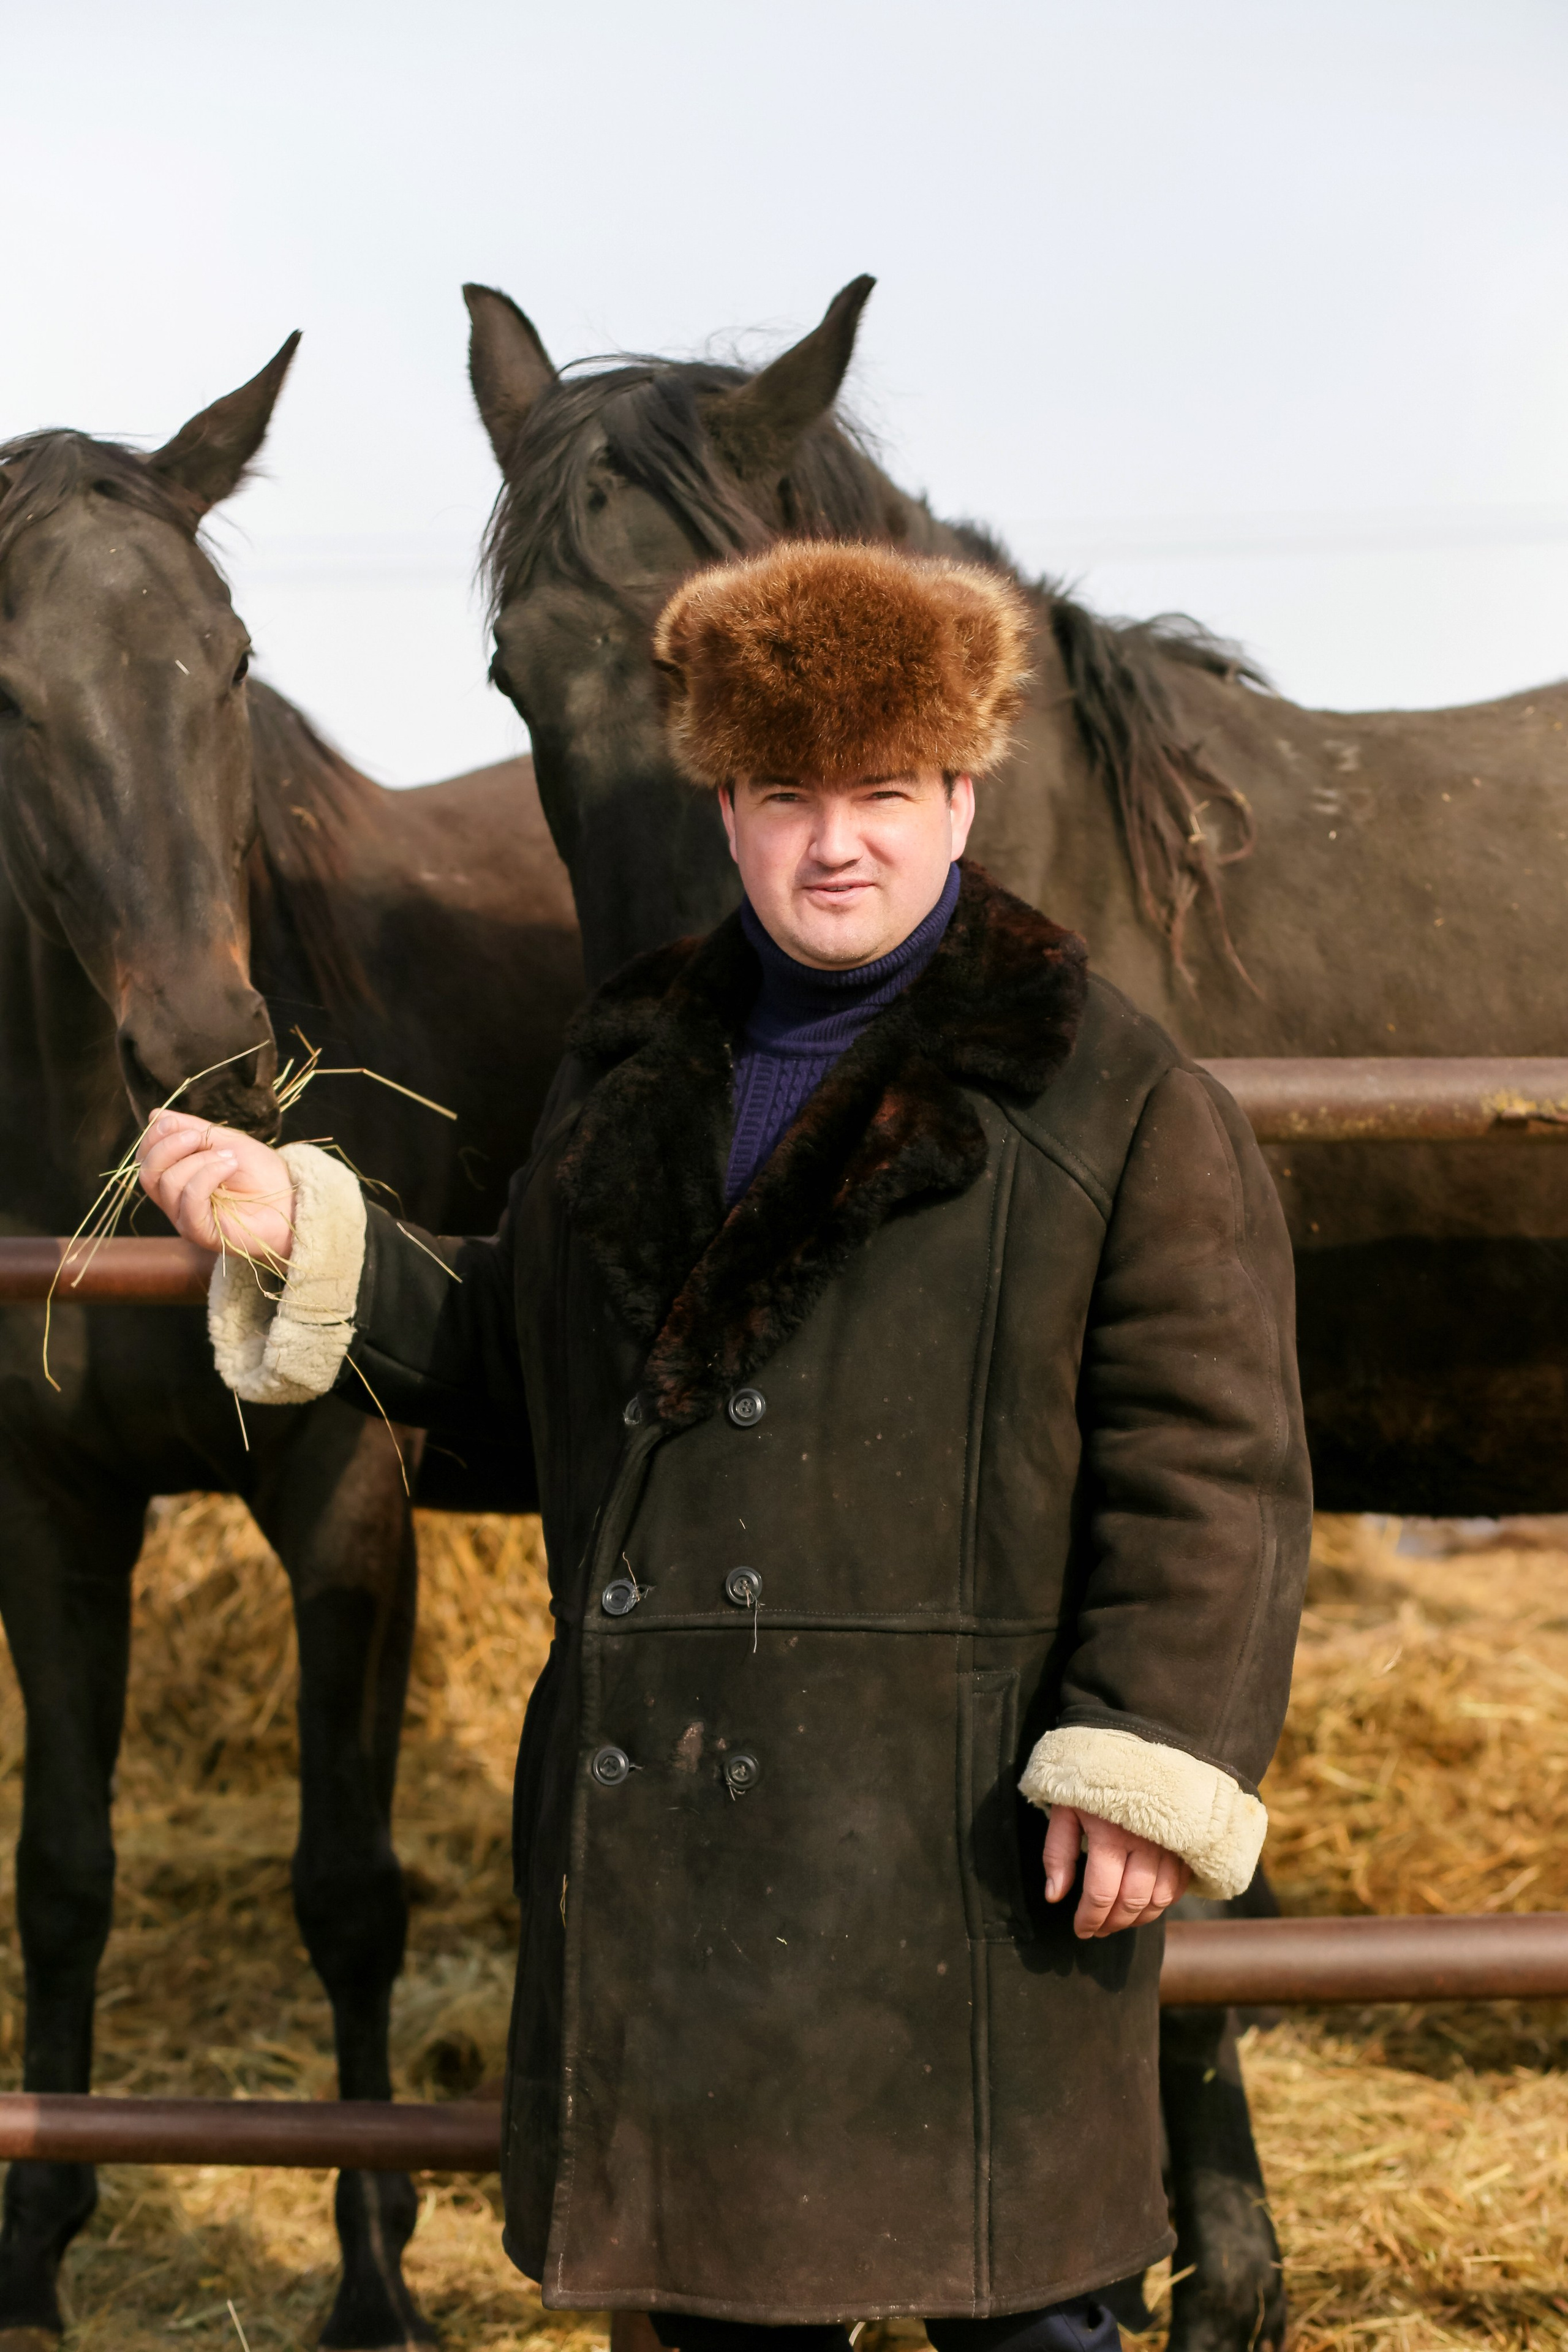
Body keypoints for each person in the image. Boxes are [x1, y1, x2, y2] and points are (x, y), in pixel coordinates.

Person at [140, 540, 1311, 2351]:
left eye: (884, 792)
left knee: (1028, 2324)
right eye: (786, 794)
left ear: (960, 796)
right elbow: (526, 1365)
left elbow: (1215, 1461)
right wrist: (302, 1231)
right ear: (725, 804)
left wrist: (1147, 1741)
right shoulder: (628, 1068)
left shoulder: (1109, 1091)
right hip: (687, 1880)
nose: (836, 841)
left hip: (975, 1871)